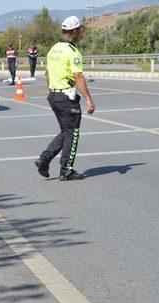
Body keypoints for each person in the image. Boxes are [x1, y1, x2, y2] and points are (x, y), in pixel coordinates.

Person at [34, 16, 95, 181]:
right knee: (72, 133)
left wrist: (52, 91)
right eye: (80, 30)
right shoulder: (72, 51)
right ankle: (66, 169)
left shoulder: (53, 49)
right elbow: (79, 77)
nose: (81, 32)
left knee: (65, 131)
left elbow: (47, 74)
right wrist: (89, 99)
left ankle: (45, 159)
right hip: (67, 97)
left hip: (54, 95)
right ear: (75, 31)